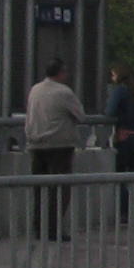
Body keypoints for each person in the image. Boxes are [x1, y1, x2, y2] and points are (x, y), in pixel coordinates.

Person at [24, 57, 86, 241]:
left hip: (35, 144)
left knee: (39, 188)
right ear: (60, 73)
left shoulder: (35, 89)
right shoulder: (64, 92)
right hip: (60, 145)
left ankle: (37, 227)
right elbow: (80, 116)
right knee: (59, 189)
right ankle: (52, 230)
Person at [106, 66, 134, 217]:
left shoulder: (120, 91)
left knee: (121, 174)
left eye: (113, 74)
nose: (112, 77)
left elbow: (110, 112)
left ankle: (123, 211)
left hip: (125, 136)